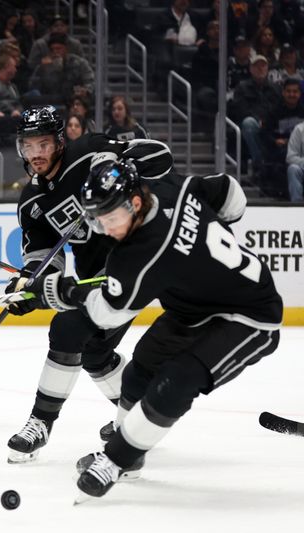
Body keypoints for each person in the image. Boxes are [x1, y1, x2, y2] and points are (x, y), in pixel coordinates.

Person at [21, 158, 281, 499]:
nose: (105, 228)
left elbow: (106, 314)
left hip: (249, 316)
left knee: (178, 379)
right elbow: (231, 193)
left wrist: (61, 292)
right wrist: (206, 244)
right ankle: (129, 452)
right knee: (138, 374)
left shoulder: (139, 254)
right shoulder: (172, 186)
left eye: (110, 218)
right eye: (98, 219)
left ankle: (116, 460)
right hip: (191, 310)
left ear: (136, 203)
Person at [3, 105, 174, 464]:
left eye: (44, 144)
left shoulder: (91, 152)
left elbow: (162, 156)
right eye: (28, 145)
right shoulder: (31, 202)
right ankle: (141, 417)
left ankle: (41, 422)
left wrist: (124, 160)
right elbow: (43, 259)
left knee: (67, 328)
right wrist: (28, 286)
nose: (36, 154)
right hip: (104, 280)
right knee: (95, 354)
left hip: (138, 262)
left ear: (60, 142)